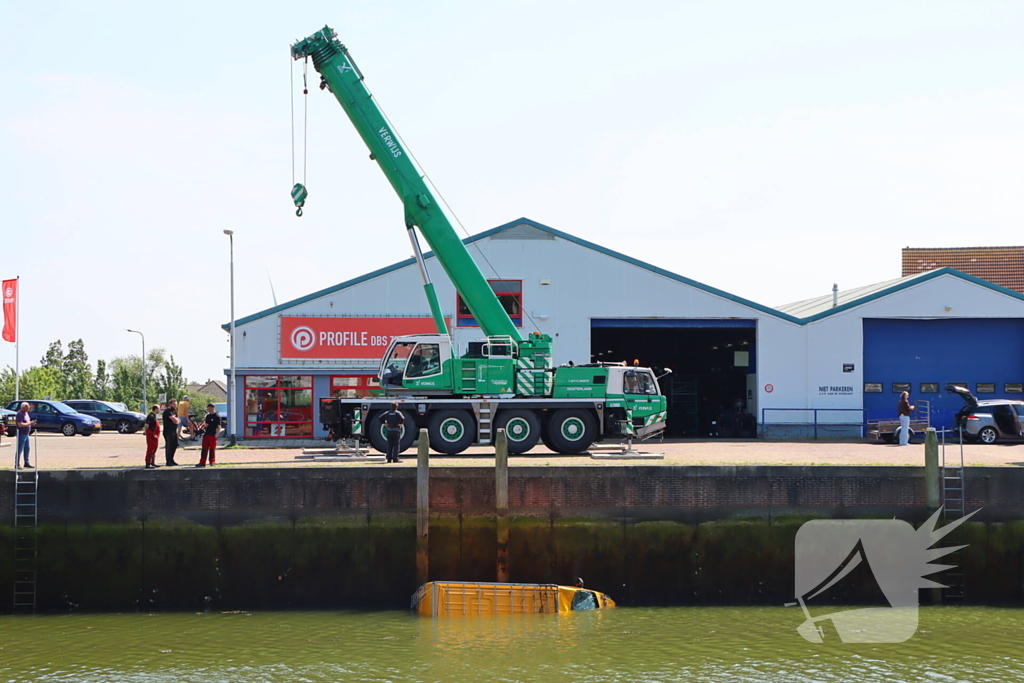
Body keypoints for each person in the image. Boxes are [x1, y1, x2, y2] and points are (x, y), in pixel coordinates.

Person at [197, 403, 222, 467]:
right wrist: (204, 426)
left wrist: (216, 434)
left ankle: (212, 461)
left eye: (208, 408)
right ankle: (202, 462)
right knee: (204, 449)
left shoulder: (217, 416)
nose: (208, 409)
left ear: (212, 408)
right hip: (206, 434)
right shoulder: (208, 416)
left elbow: (219, 426)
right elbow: (207, 423)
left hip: (213, 435)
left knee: (212, 449)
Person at [15, 402, 36, 469]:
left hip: (27, 433)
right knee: (20, 449)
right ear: (23, 407)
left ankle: (26, 463)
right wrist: (30, 423)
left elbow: (27, 422)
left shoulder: (26, 413)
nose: (29, 408)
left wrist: (31, 423)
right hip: (21, 434)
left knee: (27, 448)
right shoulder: (19, 414)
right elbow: (20, 424)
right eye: (27, 407)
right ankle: (17, 464)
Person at [163, 399, 181, 466]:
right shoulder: (167, 411)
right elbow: (174, 420)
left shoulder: (174, 411)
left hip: (174, 431)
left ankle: (172, 459)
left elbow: (178, 420)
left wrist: (176, 420)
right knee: (169, 446)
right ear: (170, 404)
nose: (175, 405)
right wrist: (176, 420)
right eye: (174, 404)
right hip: (168, 431)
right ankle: (168, 461)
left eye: (176, 404)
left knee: (174, 445)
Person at [144, 404, 162, 469]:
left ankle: (152, 462)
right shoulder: (151, 416)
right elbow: (146, 425)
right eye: (159, 408)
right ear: (156, 409)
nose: (159, 410)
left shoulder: (154, 416)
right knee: (150, 449)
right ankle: (148, 463)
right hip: (151, 435)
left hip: (155, 436)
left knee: (154, 449)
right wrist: (145, 432)